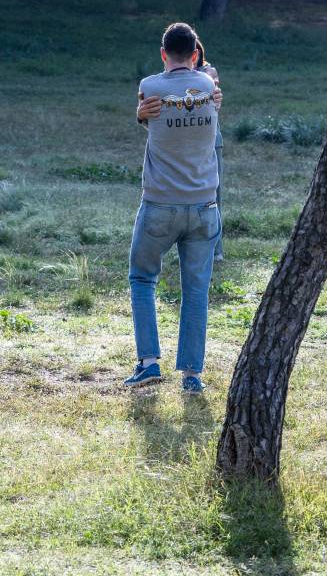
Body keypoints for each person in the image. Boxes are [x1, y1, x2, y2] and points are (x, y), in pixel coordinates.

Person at [127, 22, 222, 394]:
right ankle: (191, 375)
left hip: (160, 203)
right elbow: (204, 82)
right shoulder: (209, 88)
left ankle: (149, 362)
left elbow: (147, 112)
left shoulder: (150, 87)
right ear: (195, 54)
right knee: (196, 290)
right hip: (204, 204)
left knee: (142, 278)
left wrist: (140, 113)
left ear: (163, 53)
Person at [195, 41, 225, 261]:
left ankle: (216, 250)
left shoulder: (207, 72)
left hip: (211, 142)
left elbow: (213, 100)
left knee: (214, 196)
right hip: (187, 143)